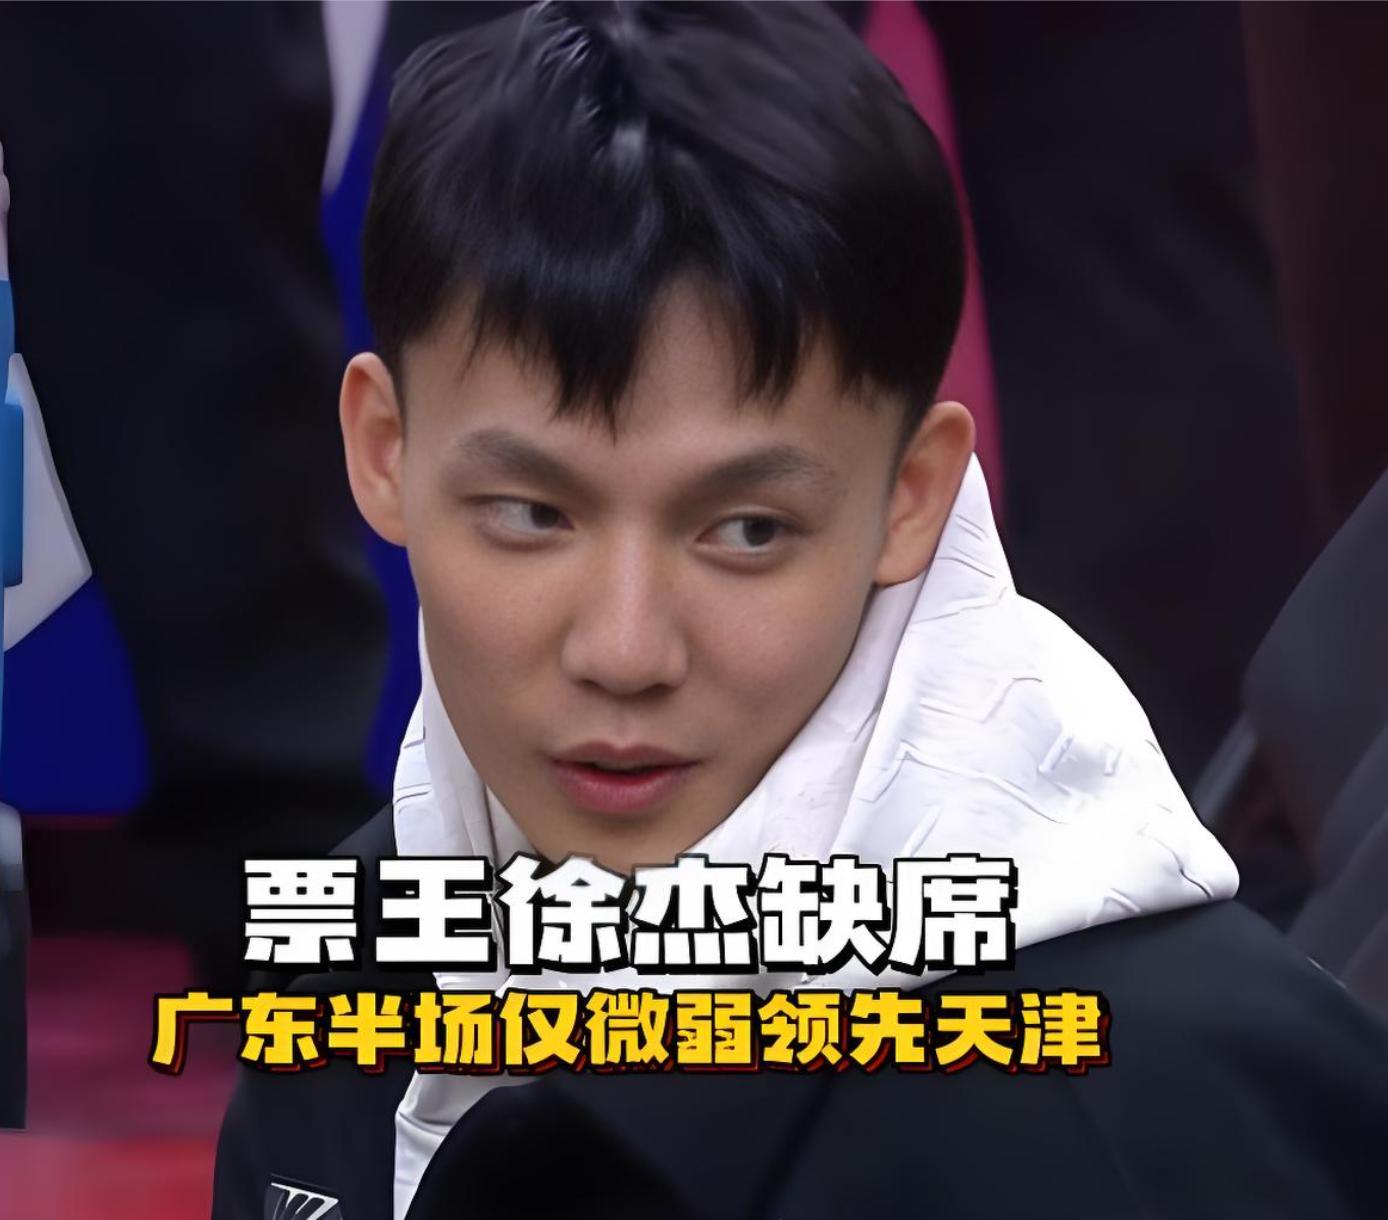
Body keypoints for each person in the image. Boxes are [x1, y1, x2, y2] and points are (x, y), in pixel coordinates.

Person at [212, 5, 1388, 1218]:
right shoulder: (364, 942)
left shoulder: (1119, 1112)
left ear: (911, 496)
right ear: (383, 450)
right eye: (530, 514)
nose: (624, 649)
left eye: (745, 530)